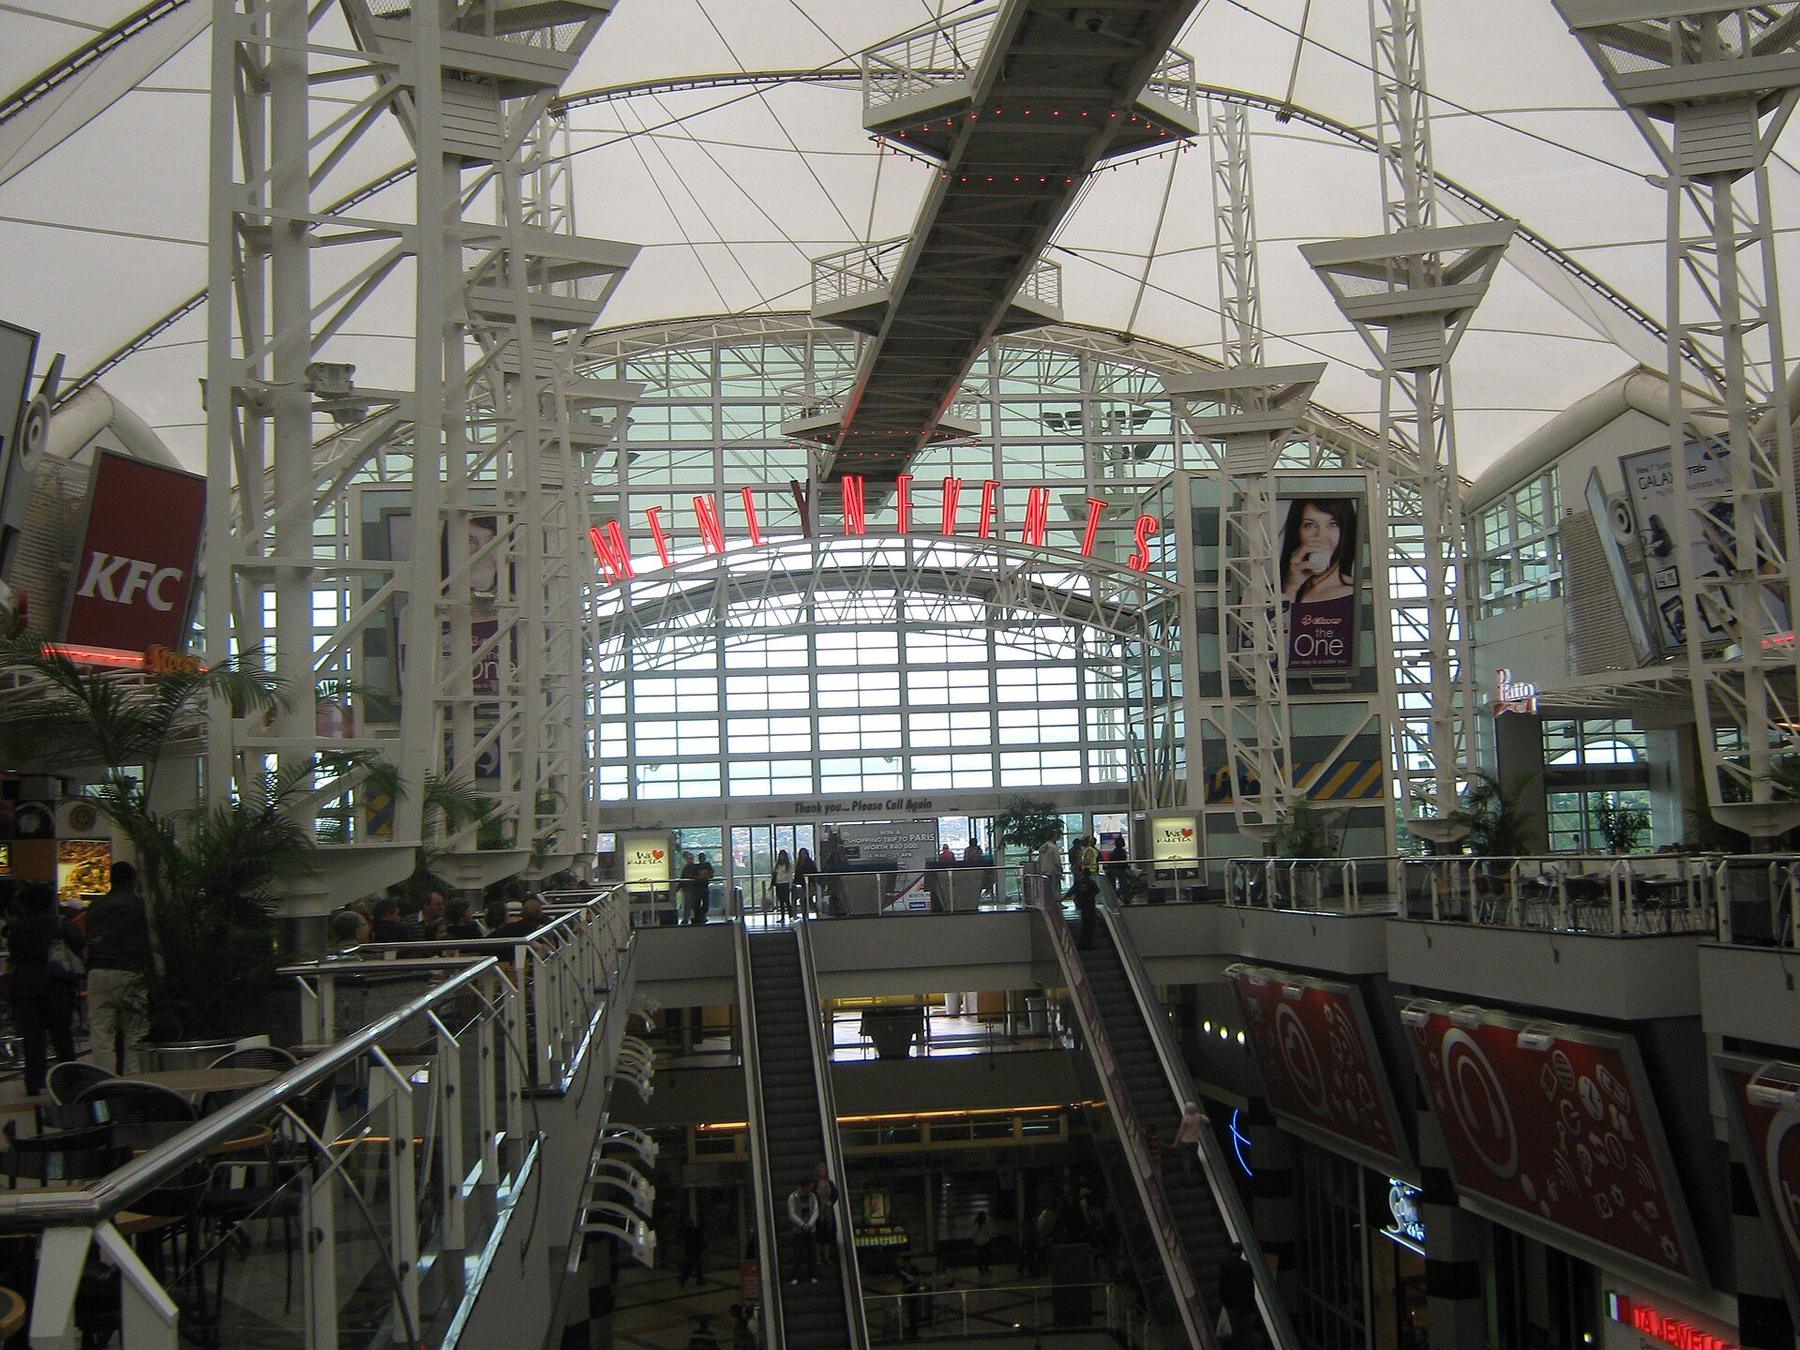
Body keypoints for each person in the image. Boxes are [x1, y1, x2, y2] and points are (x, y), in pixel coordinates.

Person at [9, 882, 81, 1097]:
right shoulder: (60, 923)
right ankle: (70, 1080)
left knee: (33, 1036)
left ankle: (33, 1082)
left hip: (27, 985)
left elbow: (15, 955)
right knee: (62, 1035)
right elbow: (78, 944)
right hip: (57, 983)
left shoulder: (18, 928)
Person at [83, 860, 150, 1074]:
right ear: (133, 880)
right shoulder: (138, 906)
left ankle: (106, 1085)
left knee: (101, 1034)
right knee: (135, 1033)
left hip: (97, 972)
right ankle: (135, 1085)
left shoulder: (94, 907)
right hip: (129, 972)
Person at [1278, 498, 1358, 668]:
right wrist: (1291, 588)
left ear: (1345, 531)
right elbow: (1269, 649)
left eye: (1333, 524)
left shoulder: (1354, 593)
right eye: (1309, 525)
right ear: (1296, 531)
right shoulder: (1266, 591)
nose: (1320, 537)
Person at [786, 1178, 818, 1284]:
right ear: (804, 1187)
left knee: (812, 1253)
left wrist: (810, 1223)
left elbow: (815, 1212)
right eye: (809, 1186)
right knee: (798, 1254)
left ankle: (813, 1275)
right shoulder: (793, 1197)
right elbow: (792, 1214)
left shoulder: (813, 1196)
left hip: (810, 1229)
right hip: (798, 1231)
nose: (811, 1188)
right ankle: (795, 1276)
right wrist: (802, 1224)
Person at [813, 1160, 840, 1268]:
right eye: (820, 1171)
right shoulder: (815, 1184)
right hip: (818, 1213)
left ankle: (827, 1257)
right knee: (819, 1236)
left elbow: (835, 1194)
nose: (822, 1172)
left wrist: (831, 1202)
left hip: (828, 1212)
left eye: (824, 1170)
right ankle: (818, 1257)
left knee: (828, 1235)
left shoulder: (830, 1183)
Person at [1174, 1101, 1208, 1183]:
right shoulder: (1199, 1117)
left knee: (1186, 1159)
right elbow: (1207, 1121)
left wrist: (1175, 1142)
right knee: (1192, 1158)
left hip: (1185, 1142)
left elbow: (1180, 1132)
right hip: (1194, 1142)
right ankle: (1193, 1174)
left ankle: (1188, 1178)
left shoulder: (1186, 1118)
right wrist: (1207, 1127)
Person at [1068, 863, 1099, 950]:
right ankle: (1088, 944)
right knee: (1091, 925)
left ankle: (1081, 944)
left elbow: (1070, 892)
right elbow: (1096, 891)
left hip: (1083, 906)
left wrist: (1060, 900)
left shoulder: (1079, 882)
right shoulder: (1091, 882)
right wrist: (1090, 896)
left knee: (1085, 925)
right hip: (1090, 906)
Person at [1035, 830, 1063, 908]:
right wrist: (1060, 869)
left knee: (1045, 889)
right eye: (1056, 835)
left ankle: (1047, 902)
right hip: (1052, 871)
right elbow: (1057, 861)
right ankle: (1056, 902)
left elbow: (1039, 860)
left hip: (1043, 871)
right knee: (1054, 888)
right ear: (1053, 836)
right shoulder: (1053, 847)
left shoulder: (1042, 847)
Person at [678, 1211, 706, 1286]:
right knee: (691, 1267)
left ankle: (699, 1280)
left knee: (697, 1266)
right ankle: (684, 1279)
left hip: (695, 1251)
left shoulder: (694, 1230)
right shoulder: (688, 1232)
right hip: (692, 1252)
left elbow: (699, 1239)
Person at [793, 847, 819, 917]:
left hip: (808, 883)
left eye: (804, 854)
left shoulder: (809, 863)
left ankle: (815, 911)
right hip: (801, 884)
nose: (803, 855)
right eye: (801, 854)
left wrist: (811, 881)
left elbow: (814, 872)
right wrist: (795, 883)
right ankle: (805, 914)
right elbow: (797, 874)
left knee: (808, 899)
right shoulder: (799, 863)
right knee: (803, 900)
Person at [772, 849, 794, 922]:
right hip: (779, 884)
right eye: (781, 855)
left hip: (785, 884)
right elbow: (775, 875)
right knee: (781, 901)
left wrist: (790, 885)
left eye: (783, 855)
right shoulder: (777, 865)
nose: (782, 857)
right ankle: (782, 917)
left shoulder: (789, 865)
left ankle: (791, 916)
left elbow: (790, 876)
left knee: (787, 901)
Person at [972, 1210, 993, 1277]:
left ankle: (986, 1267)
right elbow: (974, 1233)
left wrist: (988, 1237)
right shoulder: (976, 1223)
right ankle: (981, 1268)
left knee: (987, 1255)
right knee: (980, 1256)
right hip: (979, 1242)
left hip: (985, 1241)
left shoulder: (987, 1222)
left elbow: (989, 1231)